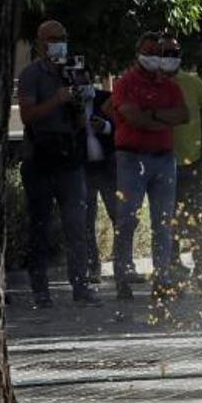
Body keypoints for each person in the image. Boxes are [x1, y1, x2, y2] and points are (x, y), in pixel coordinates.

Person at [17, 20, 101, 308]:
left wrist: (82, 102)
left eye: (62, 38)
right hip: (40, 156)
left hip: (69, 156)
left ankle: (81, 285)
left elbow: (80, 120)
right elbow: (28, 115)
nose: (58, 43)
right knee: (40, 225)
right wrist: (57, 99)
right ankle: (40, 289)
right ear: (40, 43)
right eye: (52, 39)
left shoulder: (73, 72)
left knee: (77, 224)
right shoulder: (31, 74)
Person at [107, 32, 189, 300]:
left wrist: (151, 115)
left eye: (159, 52)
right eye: (149, 51)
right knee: (127, 219)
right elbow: (132, 117)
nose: (155, 56)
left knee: (163, 222)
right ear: (138, 52)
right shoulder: (125, 83)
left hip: (164, 158)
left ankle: (162, 277)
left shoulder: (169, 86)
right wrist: (160, 121)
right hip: (131, 158)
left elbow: (182, 115)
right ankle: (122, 277)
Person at [157, 36, 202, 292]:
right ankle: (173, 271)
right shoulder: (153, 82)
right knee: (167, 222)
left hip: (190, 164)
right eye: (164, 52)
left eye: (174, 52)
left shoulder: (192, 82)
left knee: (197, 220)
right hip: (160, 165)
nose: (169, 56)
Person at [83, 86, 116, 283]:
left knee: (118, 215)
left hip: (107, 167)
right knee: (86, 220)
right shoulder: (70, 101)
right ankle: (92, 266)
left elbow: (120, 125)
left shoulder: (106, 98)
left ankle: (124, 264)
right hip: (83, 167)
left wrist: (105, 126)